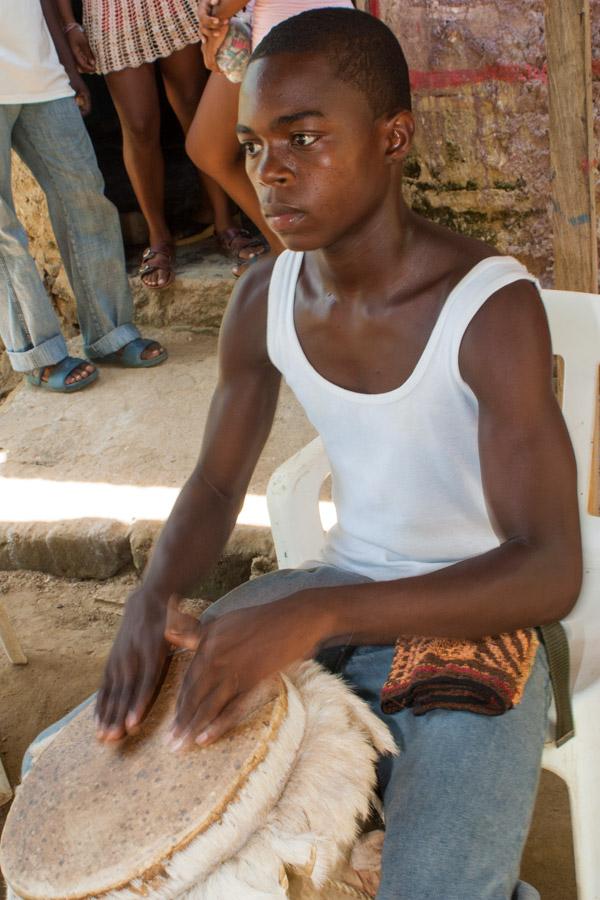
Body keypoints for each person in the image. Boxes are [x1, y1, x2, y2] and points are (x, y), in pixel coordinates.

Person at [63, 8, 582, 897]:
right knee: (103, 795)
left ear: (392, 137)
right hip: (335, 593)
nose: (271, 173)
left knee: (437, 887)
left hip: (483, 615)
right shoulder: (265, 296)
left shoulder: (489, 311)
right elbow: (220, 479)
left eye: (303, 138)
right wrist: (150, 596)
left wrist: (323, 615)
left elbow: (549, 572)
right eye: (255, 145)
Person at [0, 0, 166, 393]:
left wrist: (66, 65)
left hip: (39, 72)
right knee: (4, 231)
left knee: (86, 198)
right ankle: (38, 353)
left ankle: (110, 334)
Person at [56, 0, 248, 289]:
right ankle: (158, 238)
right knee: (138, 127)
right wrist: (70, 23)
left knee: (193, 108)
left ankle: (225, 223)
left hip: (170, 5)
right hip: (108, 13)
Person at [185, 0, 354, 276]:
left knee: (298, 161)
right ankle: (292, 256)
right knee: (207, 146)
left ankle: (308, 265)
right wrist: (212, 15)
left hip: (302, 26)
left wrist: (214, 20)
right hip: (261, 23)